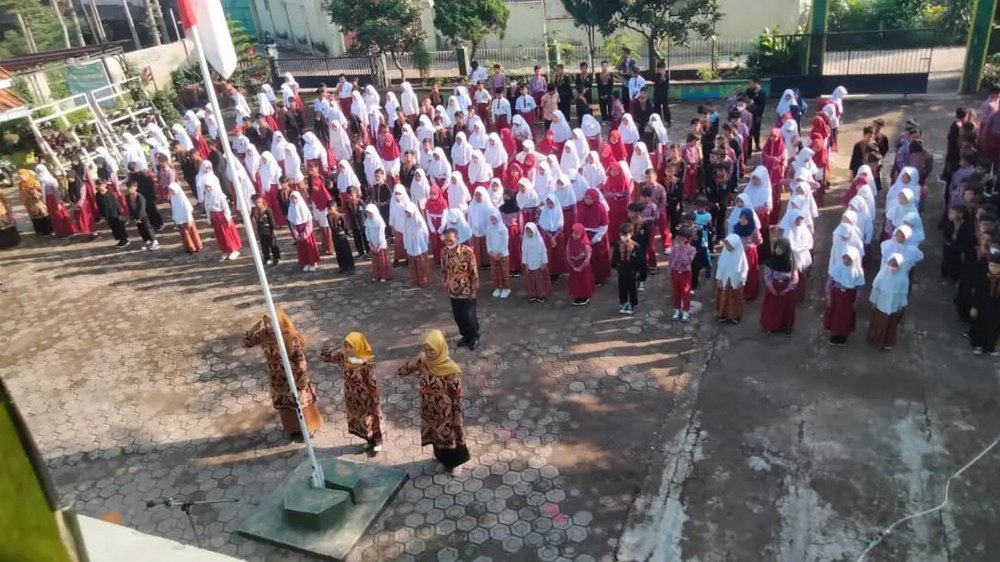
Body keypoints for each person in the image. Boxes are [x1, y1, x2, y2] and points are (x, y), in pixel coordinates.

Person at [395, 329, 471, 475]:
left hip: (446, 411)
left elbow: (457, 395)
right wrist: (398, 372)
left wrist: (456, 414)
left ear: (440, 349)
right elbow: (409, 367)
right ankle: (442, 459)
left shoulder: (450, 370)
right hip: (428, 407)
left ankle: (456, 463)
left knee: (450, 437)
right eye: (427, 349)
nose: (429, 353)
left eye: (432, 350)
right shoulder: (423, 360)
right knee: (434, 434)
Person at [243, 309, 323, 439]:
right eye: (266, 323)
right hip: (278, 379)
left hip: (295, 378)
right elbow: (247, 344)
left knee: (302, 404)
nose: (268, 326)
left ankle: (309, 428)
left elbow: (302, 364)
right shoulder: (264, 335)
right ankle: (294, 429)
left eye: (272, 323)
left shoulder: (291, 338)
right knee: (286, 406)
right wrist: (252, 330)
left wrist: (302, 386)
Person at [320, 332, 385, 453]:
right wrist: (338, 346)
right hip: (351, 396)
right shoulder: (343, 357)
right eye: (346, 346)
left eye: (351, 346)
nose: (348, 349)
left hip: (365, 398)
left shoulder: (367, 364)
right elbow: (324, 356)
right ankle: (369, 441)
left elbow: (373, 384)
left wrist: (375, 401)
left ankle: (377, 441)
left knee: (371, 419)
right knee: (360, 421)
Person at [441, 227, 481, 349]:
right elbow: (443, 270)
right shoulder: (444, 252)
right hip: (453, 291)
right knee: (458, 316)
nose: (448, 242)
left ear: (457, 238)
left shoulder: (467, 252)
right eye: (446, 240)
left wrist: (474, 289)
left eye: (450, 239)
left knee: (469, 315)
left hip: (466, 290)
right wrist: (445, 284)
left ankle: (474, 337)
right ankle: (465, 336)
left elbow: (473, 271)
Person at [867, 253, 909, 351]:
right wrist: (873, 301)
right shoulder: (882, 274)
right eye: (891, 264)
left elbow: (903, 293)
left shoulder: (903, 278)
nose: (892, 267)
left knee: (891, 326)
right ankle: (876, 342)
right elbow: (875, 288)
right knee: (879, 324)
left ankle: (888, 343)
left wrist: (902, 306)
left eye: (895, 265)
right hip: (881, 304)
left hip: (894, 305)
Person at [824, 246, 865, 346]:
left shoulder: (858, 271)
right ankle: (834, 336)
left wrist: (856, 300)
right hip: (837, 295)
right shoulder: (838, 267)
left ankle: (843, 337)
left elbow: (859, 287)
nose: (846, 261)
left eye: (849, 259)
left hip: (849, 297)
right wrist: (828, 296)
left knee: (846, 317)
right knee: (835, 315)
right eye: (845, 258)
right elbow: (830, 282)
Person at [759, 238, 799, 335]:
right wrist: (772, 289)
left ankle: (786, 327)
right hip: (774, 287)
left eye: (780, 249)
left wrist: (787, 289)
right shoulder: (771, 261)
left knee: (786, 309)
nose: (777, 250)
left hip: (786, 289)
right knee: (772, 309)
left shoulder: (791, 262)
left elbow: (795, 278)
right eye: (776, 248)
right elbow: (767, 276)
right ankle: (771, 327)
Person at [202, 177, 242, 260]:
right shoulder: (207, 196)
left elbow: (225, 207)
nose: (208, 189)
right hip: (214, 217)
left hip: (221, 217)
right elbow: (207, 208)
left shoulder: (219, 195)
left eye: (209, 186)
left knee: (227, 234)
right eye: (206, 187)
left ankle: (233, 249)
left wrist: (227, 217)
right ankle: (225, 250)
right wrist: (209, 218)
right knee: (220, 235)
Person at [969, 254, 1000, 356]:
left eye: (996, 266)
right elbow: (977, 293)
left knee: (994, 328)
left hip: (996, 308)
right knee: (981, 326)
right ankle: (979, 346)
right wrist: (974, 307)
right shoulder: (983, 277)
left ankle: (990, 347)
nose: (993, 268)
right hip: (983, 307)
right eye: (991, 265)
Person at [716, 233, 748, 324]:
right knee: (724, 298)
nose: (728, 247)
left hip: (735, 281)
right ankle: (723, 314)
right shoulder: (725, 253)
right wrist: (719, 279)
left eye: (730, 245)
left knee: (735, 299)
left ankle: (735, 316)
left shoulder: (740, 255)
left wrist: (742, 280)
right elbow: (720, 266)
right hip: (724, 281)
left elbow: (744, 269)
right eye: (727, 245)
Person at [37, 164, 75, 238]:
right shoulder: (43, 181)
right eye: (38, 171)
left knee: (59, 215)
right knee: (54, 217)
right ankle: (60, 232)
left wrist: (58, 202)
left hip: (54, 200)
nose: (39, 173)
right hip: (49, 201)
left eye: (41, 171)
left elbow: (56, 192)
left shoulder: (50, 180)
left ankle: (66, 232)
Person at [611, 222, 641, 315]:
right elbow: (615, 256)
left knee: (631, 287)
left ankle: (632, 303)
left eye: (625, 234)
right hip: (621, 268)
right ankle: (623, 302)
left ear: (631, 234)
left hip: (631, 269)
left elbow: (638, 259)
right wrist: (615, 265)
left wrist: (638, 270)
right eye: (621, 234)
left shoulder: (635, 246)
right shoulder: (618, 244)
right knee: (622, 287)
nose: (623, 237)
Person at [287, 191, 320, 272]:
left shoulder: (303, 207)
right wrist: (296, 234)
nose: (294, 200)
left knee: (309, 248)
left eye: (295, 198)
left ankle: (312, 262)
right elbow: (292, 223)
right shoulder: (291, 208)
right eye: (292, 198)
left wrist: (305, 234)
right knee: (302, 249)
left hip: (306, 233)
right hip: (298, 233)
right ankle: (306, 263)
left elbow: (309, 222)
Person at [668, 226, 696, 321]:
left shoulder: (692, 250)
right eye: (679, 237)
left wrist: (683, 250)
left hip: (685, 274)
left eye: (682, 238)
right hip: (675, 272)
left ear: (688, 239)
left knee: (685, 293)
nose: (680, 240)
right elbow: (671, 259)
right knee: (676, 292)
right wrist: (671, 268)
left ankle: (685, 311)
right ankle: (677, 309)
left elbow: (687, 262)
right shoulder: (674, 248)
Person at [522, 222, 552, 302]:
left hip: (539, 263)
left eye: (530, 231)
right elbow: (524, 252)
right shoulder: (525, 240)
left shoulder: (539, 240)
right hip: (530, 263)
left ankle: (541, 295)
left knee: (540, 280)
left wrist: (544, 262)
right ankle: (533, 294)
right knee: (531, 281)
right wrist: (526, 264)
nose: (529, 233)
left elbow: (543, 251)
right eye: (527, 232)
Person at [485, 208, 511, 298]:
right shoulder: (489, 229)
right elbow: (488, 241)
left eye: (495, 218)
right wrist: (491, 252)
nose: (493, 221)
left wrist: (499, 253)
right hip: (493, 254)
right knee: (495, 272)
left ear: (499, 218)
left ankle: (506, 288)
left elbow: (505, 243)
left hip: (502, 255)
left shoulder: (503, 229)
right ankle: (498, 287)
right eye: (492, 219)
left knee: (503, 271)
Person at [566, 223, 595, 305]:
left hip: (583, 267)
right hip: (574, 266)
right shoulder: (570, 241)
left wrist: (581, 267)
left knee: (584, 282)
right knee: (575, 282)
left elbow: (587, 257)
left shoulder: (585, 243)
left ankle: (585, 297)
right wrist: (572, 265)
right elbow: (567, 252)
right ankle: (577, 295)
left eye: (576, 233)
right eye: (573, 233)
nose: (574, 235)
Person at [17, 169, 52, 236]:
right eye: (19, 175)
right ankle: (39, 231)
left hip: (38, 203)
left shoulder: (34, 182)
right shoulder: (21, 184)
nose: (21, 176)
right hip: (29, 204)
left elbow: (42, 191)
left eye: (22, 175)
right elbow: (21, 193)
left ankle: (47, 230)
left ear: (27, 175)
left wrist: (35, 194)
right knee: (34, 218)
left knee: (43, 216)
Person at [125, 180, 158, 250]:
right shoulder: (127, 197)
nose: (129, 190)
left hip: (143, 216)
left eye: (131, 188)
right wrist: (132, 217)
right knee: (141, 230)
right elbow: (130, 207)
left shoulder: (140, 197)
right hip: (136, 217)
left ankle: (154, 241)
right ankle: (147, 242)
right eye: (128, 188)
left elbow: (142, 209)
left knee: (147, 228)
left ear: (135, 188)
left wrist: (139, 218)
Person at [95, 181, 129, 248]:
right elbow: (99, 205)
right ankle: (120, 240)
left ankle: (125, 240)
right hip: (107, 214)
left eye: (102, 185)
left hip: (114, 213)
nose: (101, 186)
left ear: (105, 185)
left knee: (119, 226)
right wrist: (102, 215)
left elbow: (116, 203)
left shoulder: (110, 192)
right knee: (113, 227)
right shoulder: (97, 194)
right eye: (99, 185)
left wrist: (119, 212)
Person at [364, 203, 393, 282]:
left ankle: (384, 275)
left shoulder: (379, 221)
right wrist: (370, 243)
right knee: (375, 262)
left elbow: (381, 234)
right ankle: (376, 275)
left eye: (370, 213)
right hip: (373, 244)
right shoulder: (367, 221)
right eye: (367, 213)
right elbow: (367, 232)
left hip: (380, 244)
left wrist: (378, 246)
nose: (369, 215)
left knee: (382, 261)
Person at [327, 200, 356, 274]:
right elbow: (331, 226)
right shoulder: (328, 216)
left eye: (331, 208)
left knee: (345, 251)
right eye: (328, 209)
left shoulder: (341, 216)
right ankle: (342, 266)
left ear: (335, 208)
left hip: (341, 236)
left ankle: (350, 265)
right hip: (335, 236)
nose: (329, 210)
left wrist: (345, 233)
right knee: (338, 252)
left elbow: (345, 227)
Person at [249, 194, 279, 265]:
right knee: (264, 246)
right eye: (255, 202)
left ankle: (276, 258)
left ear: (262, 201)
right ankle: (267, 258)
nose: (257, 204)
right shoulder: (253, 210)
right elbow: (252, 220)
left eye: (258, 202)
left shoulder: (267, 210)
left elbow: (272, 220)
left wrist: (274, 230)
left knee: (273, 245)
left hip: (269, 230)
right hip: (260, 230)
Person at [745, 77, 766, 151]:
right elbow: (746, 100)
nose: (749, 84)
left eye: (751, 82)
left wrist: (758, 115)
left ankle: (757, 144)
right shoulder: (748, 91)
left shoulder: (762, 92)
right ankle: (749, 148)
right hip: (749, 114)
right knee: (749, 130)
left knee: (757, 130)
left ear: (756, 83)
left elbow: (762, 105)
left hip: (757, 114)